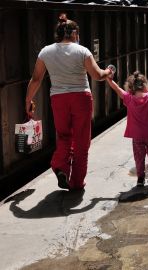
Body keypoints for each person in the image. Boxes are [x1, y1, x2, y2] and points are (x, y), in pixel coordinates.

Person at [25, 14, 112, 191]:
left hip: (58, 99)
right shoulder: (82, 51)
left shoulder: (46, 52)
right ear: (74, 34)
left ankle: (60, 166)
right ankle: (77, 182)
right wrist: (108, 71)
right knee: (82, 141)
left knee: (64, 136)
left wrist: (28, 100)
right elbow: (97, 75)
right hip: (81, 98)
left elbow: (36, 79)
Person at [106, 71, 148, 186]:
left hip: (136, 135)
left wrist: (109, 79)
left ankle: (140, 178)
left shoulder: (128, 98)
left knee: (139, 155)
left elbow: (116, 88)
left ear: (130, 86)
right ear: (144, 85)